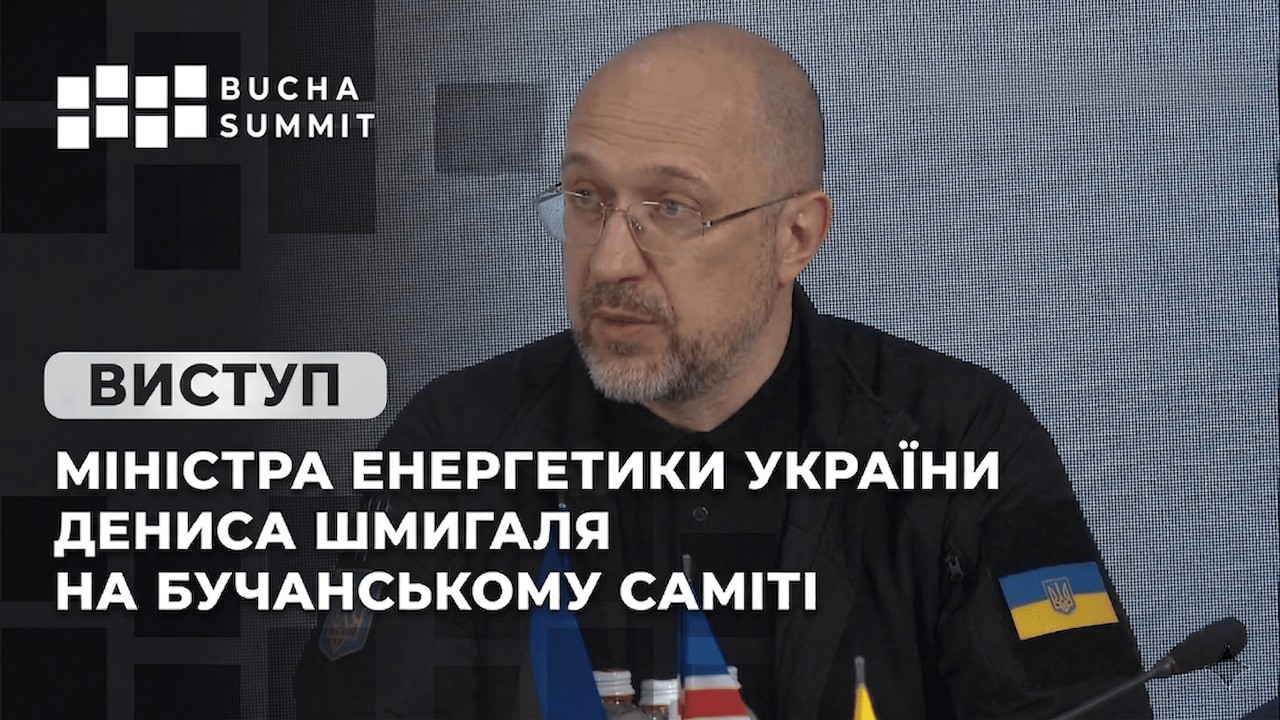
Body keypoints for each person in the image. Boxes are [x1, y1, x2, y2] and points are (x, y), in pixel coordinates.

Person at [295, 22, 1151, 719]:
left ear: (795, 237)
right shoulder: (457, 443)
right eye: (587, 199)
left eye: (673, 208)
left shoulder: (962, 441)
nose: (609, 262)